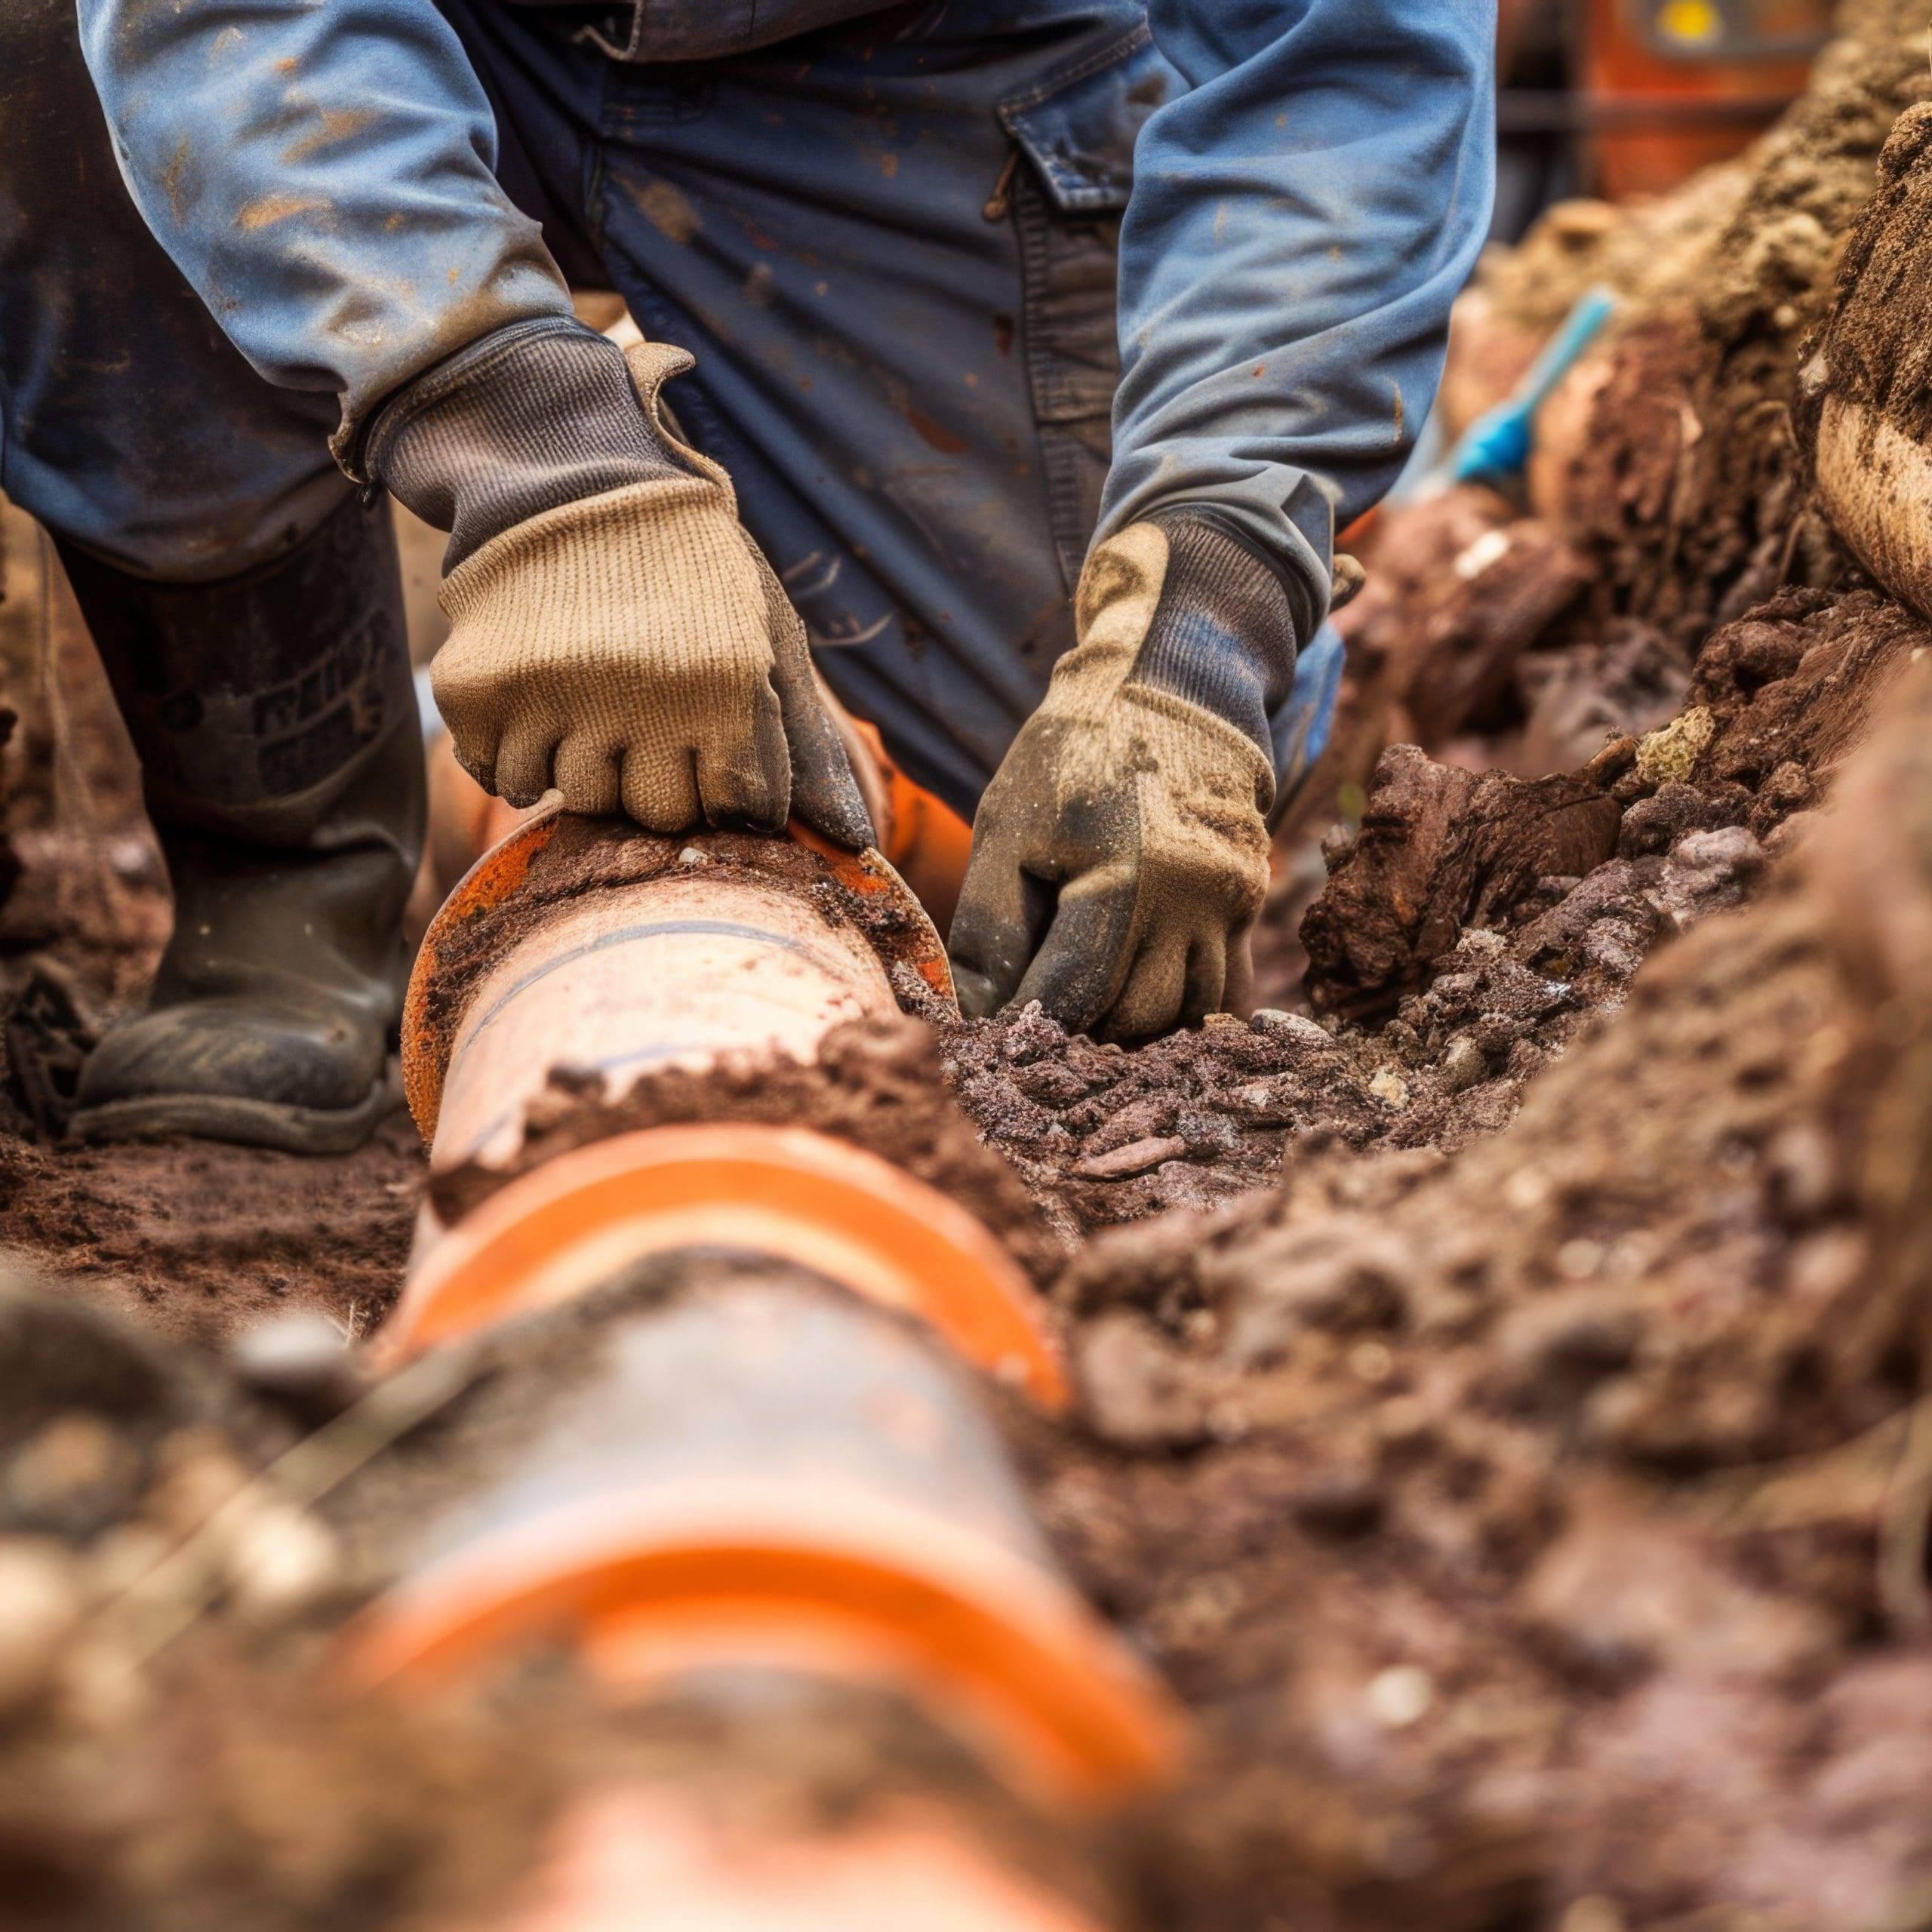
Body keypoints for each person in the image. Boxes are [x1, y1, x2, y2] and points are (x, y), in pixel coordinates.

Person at [2, 0, 1494, 1152]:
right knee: (55, 67)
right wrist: (528, 452)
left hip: (929, 62)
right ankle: (279, 873)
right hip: (411, 34)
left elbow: (1337, 65)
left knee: (1054, 878)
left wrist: (1205, 610)